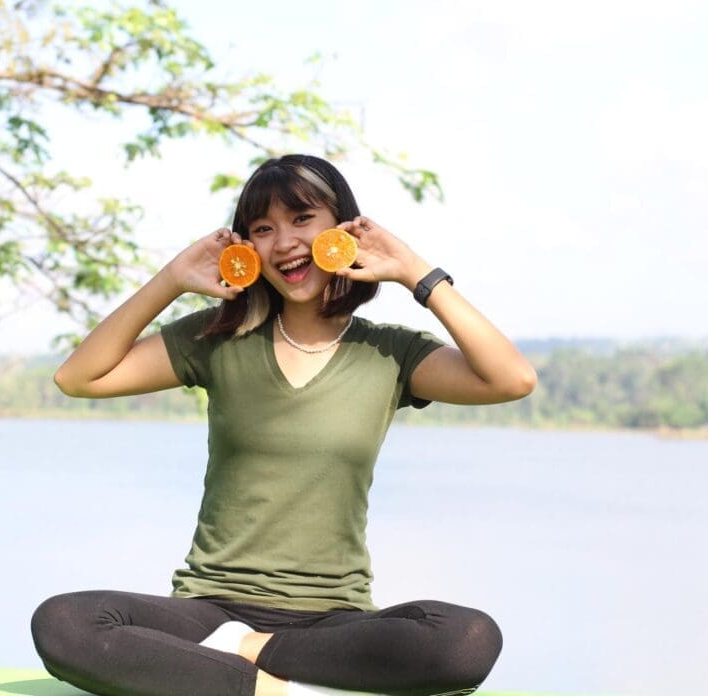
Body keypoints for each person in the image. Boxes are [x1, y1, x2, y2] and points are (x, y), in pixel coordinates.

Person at [32, 154, 537, 696]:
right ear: (247, 248)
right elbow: (78, 377)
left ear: (341, 228)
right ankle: (268, 690)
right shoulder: (218, 339)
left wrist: (416, 271)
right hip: (210, 609)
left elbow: (512, 379)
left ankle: (247, 659)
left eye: (302, 220)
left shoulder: (390, 352)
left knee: (466, 639)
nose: (284, 242)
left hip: (332, 620)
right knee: (63, 622)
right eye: (263, 229)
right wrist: (173, 280)